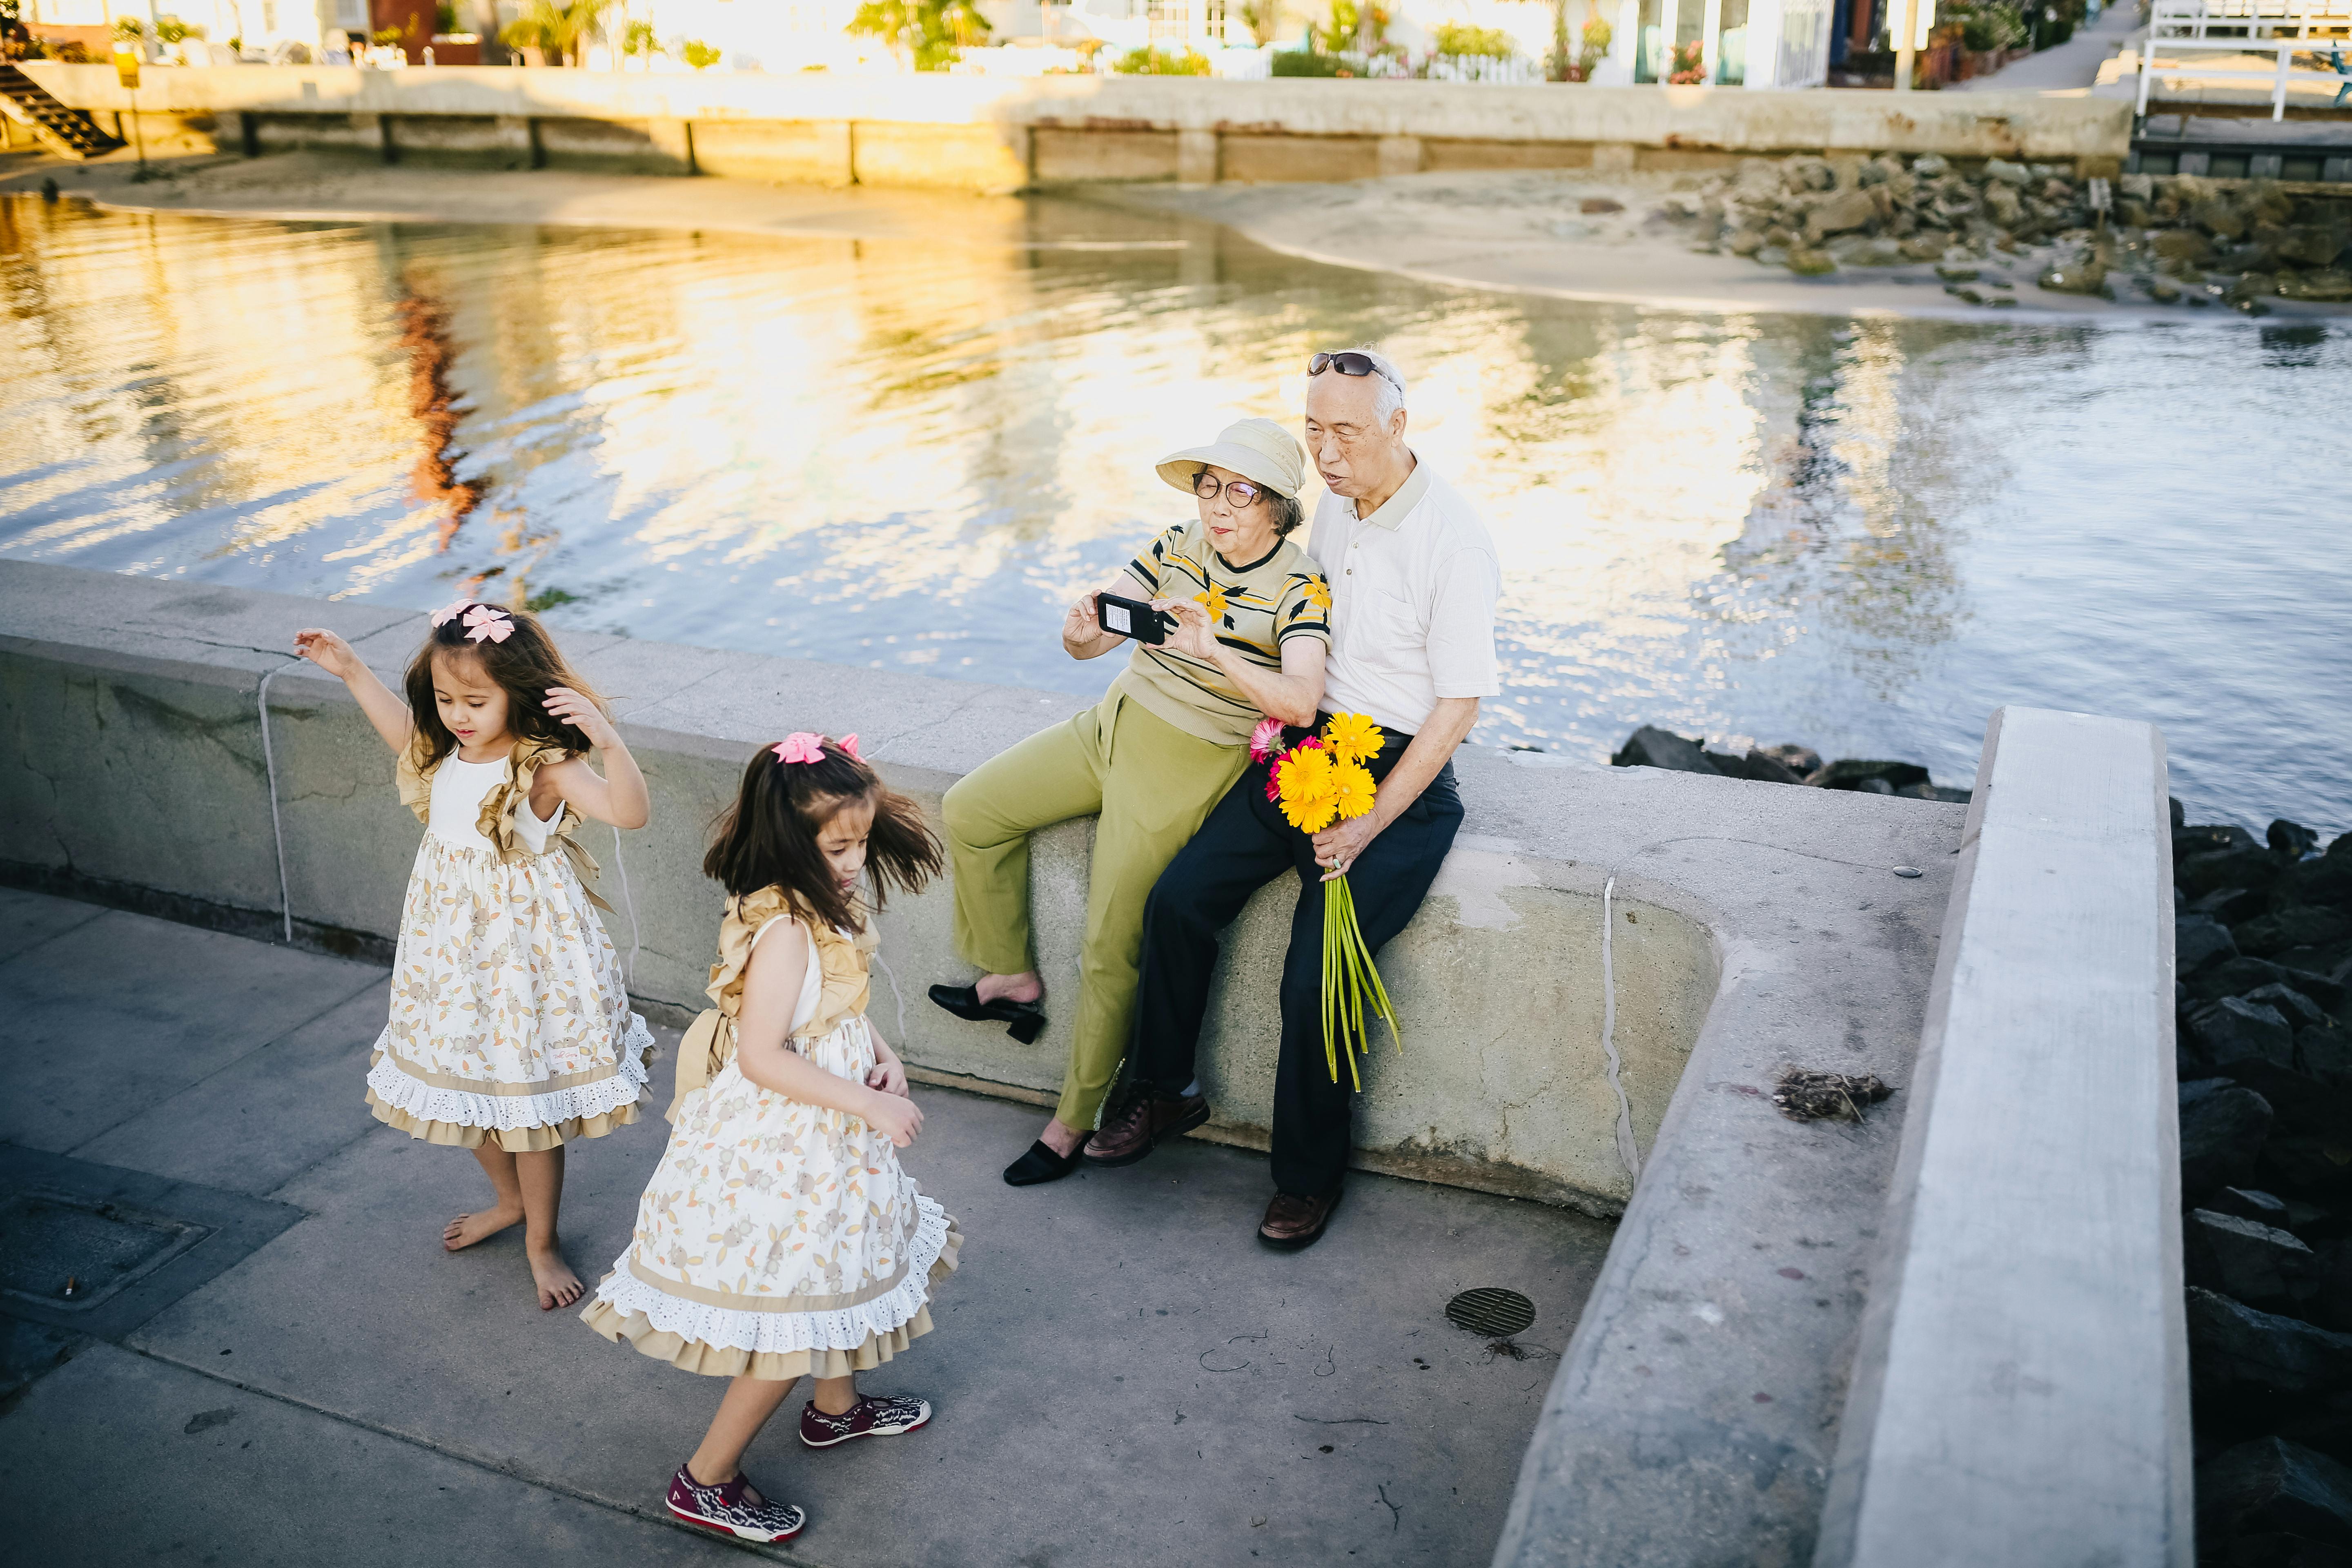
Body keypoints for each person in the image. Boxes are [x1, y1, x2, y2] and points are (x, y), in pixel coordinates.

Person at [1091, 348, 1501, 1251]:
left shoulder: (1455, 542)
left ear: (1399, 426)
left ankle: (1308, 1179)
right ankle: (1164, 1091)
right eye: (1314, 426)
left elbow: (1459, 706)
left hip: (1397, 779)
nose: (1325, 448)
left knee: (1318, 978)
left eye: (1346, 429)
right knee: (1178, 901)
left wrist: (1372, 822)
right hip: (1304, 750)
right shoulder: (1338, 510)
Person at [927, 418, 1332, 1187]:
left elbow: (1303, 700)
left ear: (1278, 505)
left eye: (1240, 491)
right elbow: (1096, 637)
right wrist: (1081, 631)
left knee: (1110, 947)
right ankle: (1011, 977)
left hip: (1185, 760)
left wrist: (1214, 652)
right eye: (1210, 485)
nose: (1219, 505)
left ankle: (1073, 1120)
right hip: (1109, 724)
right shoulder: (1178, 541)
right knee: (972, 811)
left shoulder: (1300, 587)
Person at [579, 735, 958, 1546]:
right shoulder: (786, 928)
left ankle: (834, 1409)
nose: (856, 860)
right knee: (792, 1308)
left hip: (827, 1134)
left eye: (860, 841)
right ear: (792, 841)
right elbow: (760, 1053)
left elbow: (834, 1012)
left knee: (838, 1268)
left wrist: (881, 1060)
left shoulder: (820, 905)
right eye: (839, 846)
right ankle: (705, 1477)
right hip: (784, 1148)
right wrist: (870, 1103)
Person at [292, 601, 654, 1308]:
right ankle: (507, 1200)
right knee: (462, 1085)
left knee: (526, 1101)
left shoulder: (544, 768)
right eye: (445, 699)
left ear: (518, 693)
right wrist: (352, 672)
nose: (457, 714)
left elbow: (630, 812)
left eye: (476, 701)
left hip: (524, 961)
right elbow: (406, 738)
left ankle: (541, 1239)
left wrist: (608, 741)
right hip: (451, 958)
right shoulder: (449, 751)